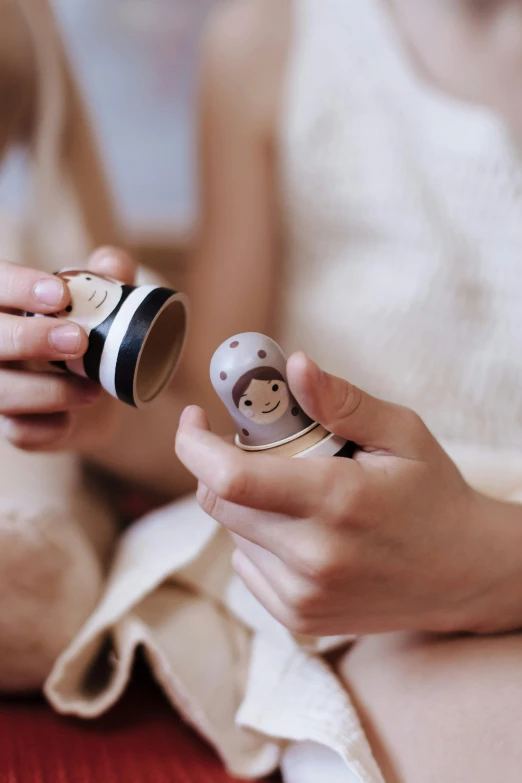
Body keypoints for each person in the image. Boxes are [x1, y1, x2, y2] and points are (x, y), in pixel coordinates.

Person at [172, 0, 522, 781]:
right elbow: (204, 408)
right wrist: (99, 412)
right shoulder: (274, 40)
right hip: (359, 570)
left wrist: (489, 559)